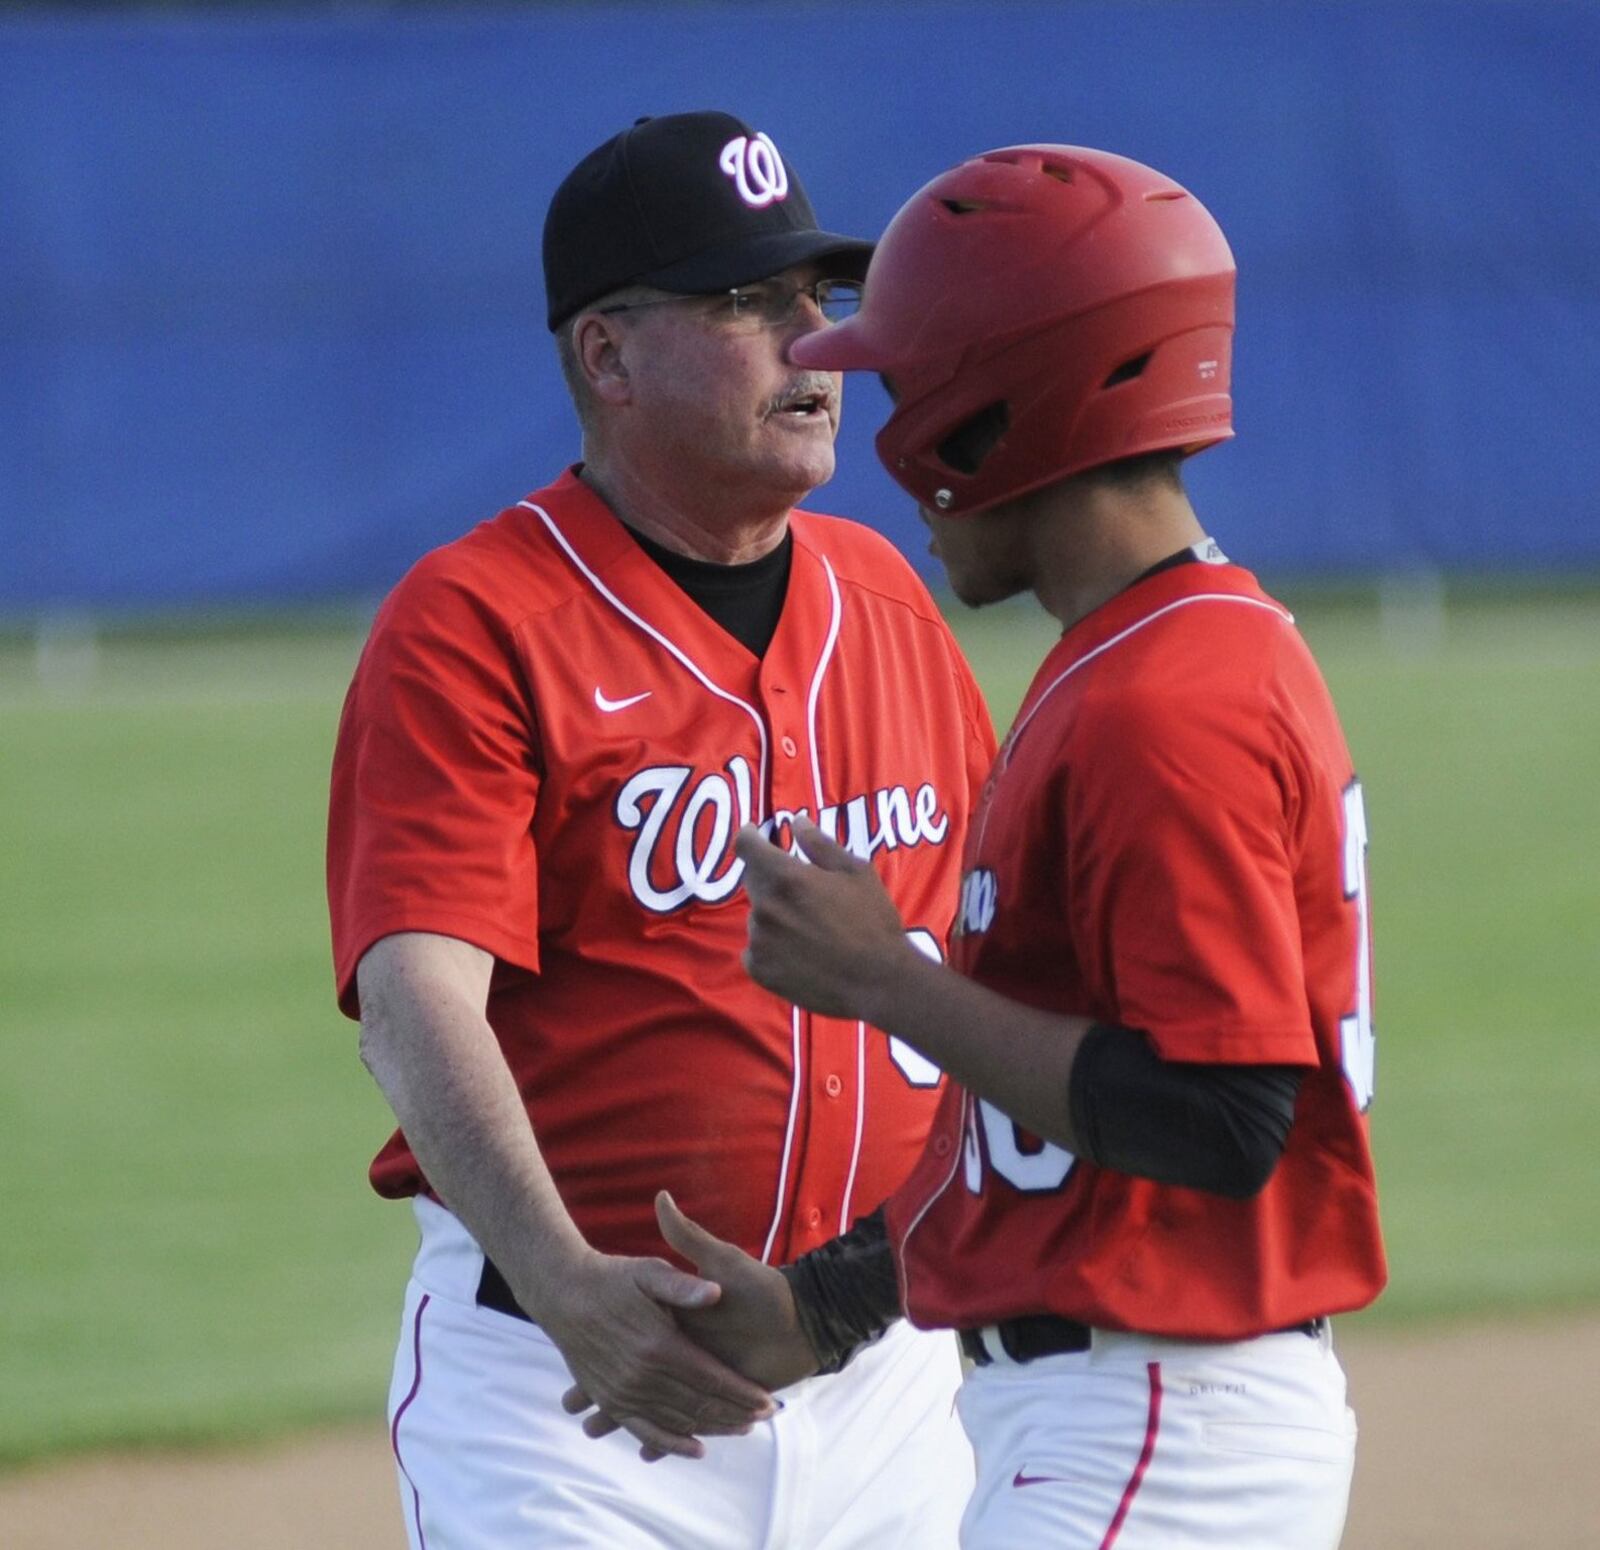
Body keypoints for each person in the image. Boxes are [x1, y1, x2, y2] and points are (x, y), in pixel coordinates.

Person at [569, 144, 1388, 1548]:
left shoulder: (1168, 699)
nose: (881, 433)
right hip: (1122, 1413)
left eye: (912, 382)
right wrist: (824, 1306)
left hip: (1157, 1422)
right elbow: (1047, 1140)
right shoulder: (1142, 659)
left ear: (1001, 407)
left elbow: (1224, 1117)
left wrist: (888, 980)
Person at [325, 111, 993, 1549]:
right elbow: (414, 995)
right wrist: (567, 1284)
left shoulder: (886, 600)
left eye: (817, 296)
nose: (810, 343)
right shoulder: (476, 622)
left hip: (879, 1372)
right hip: (570, 1390)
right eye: (747, 302)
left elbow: (997, 957)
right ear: (607, 356)